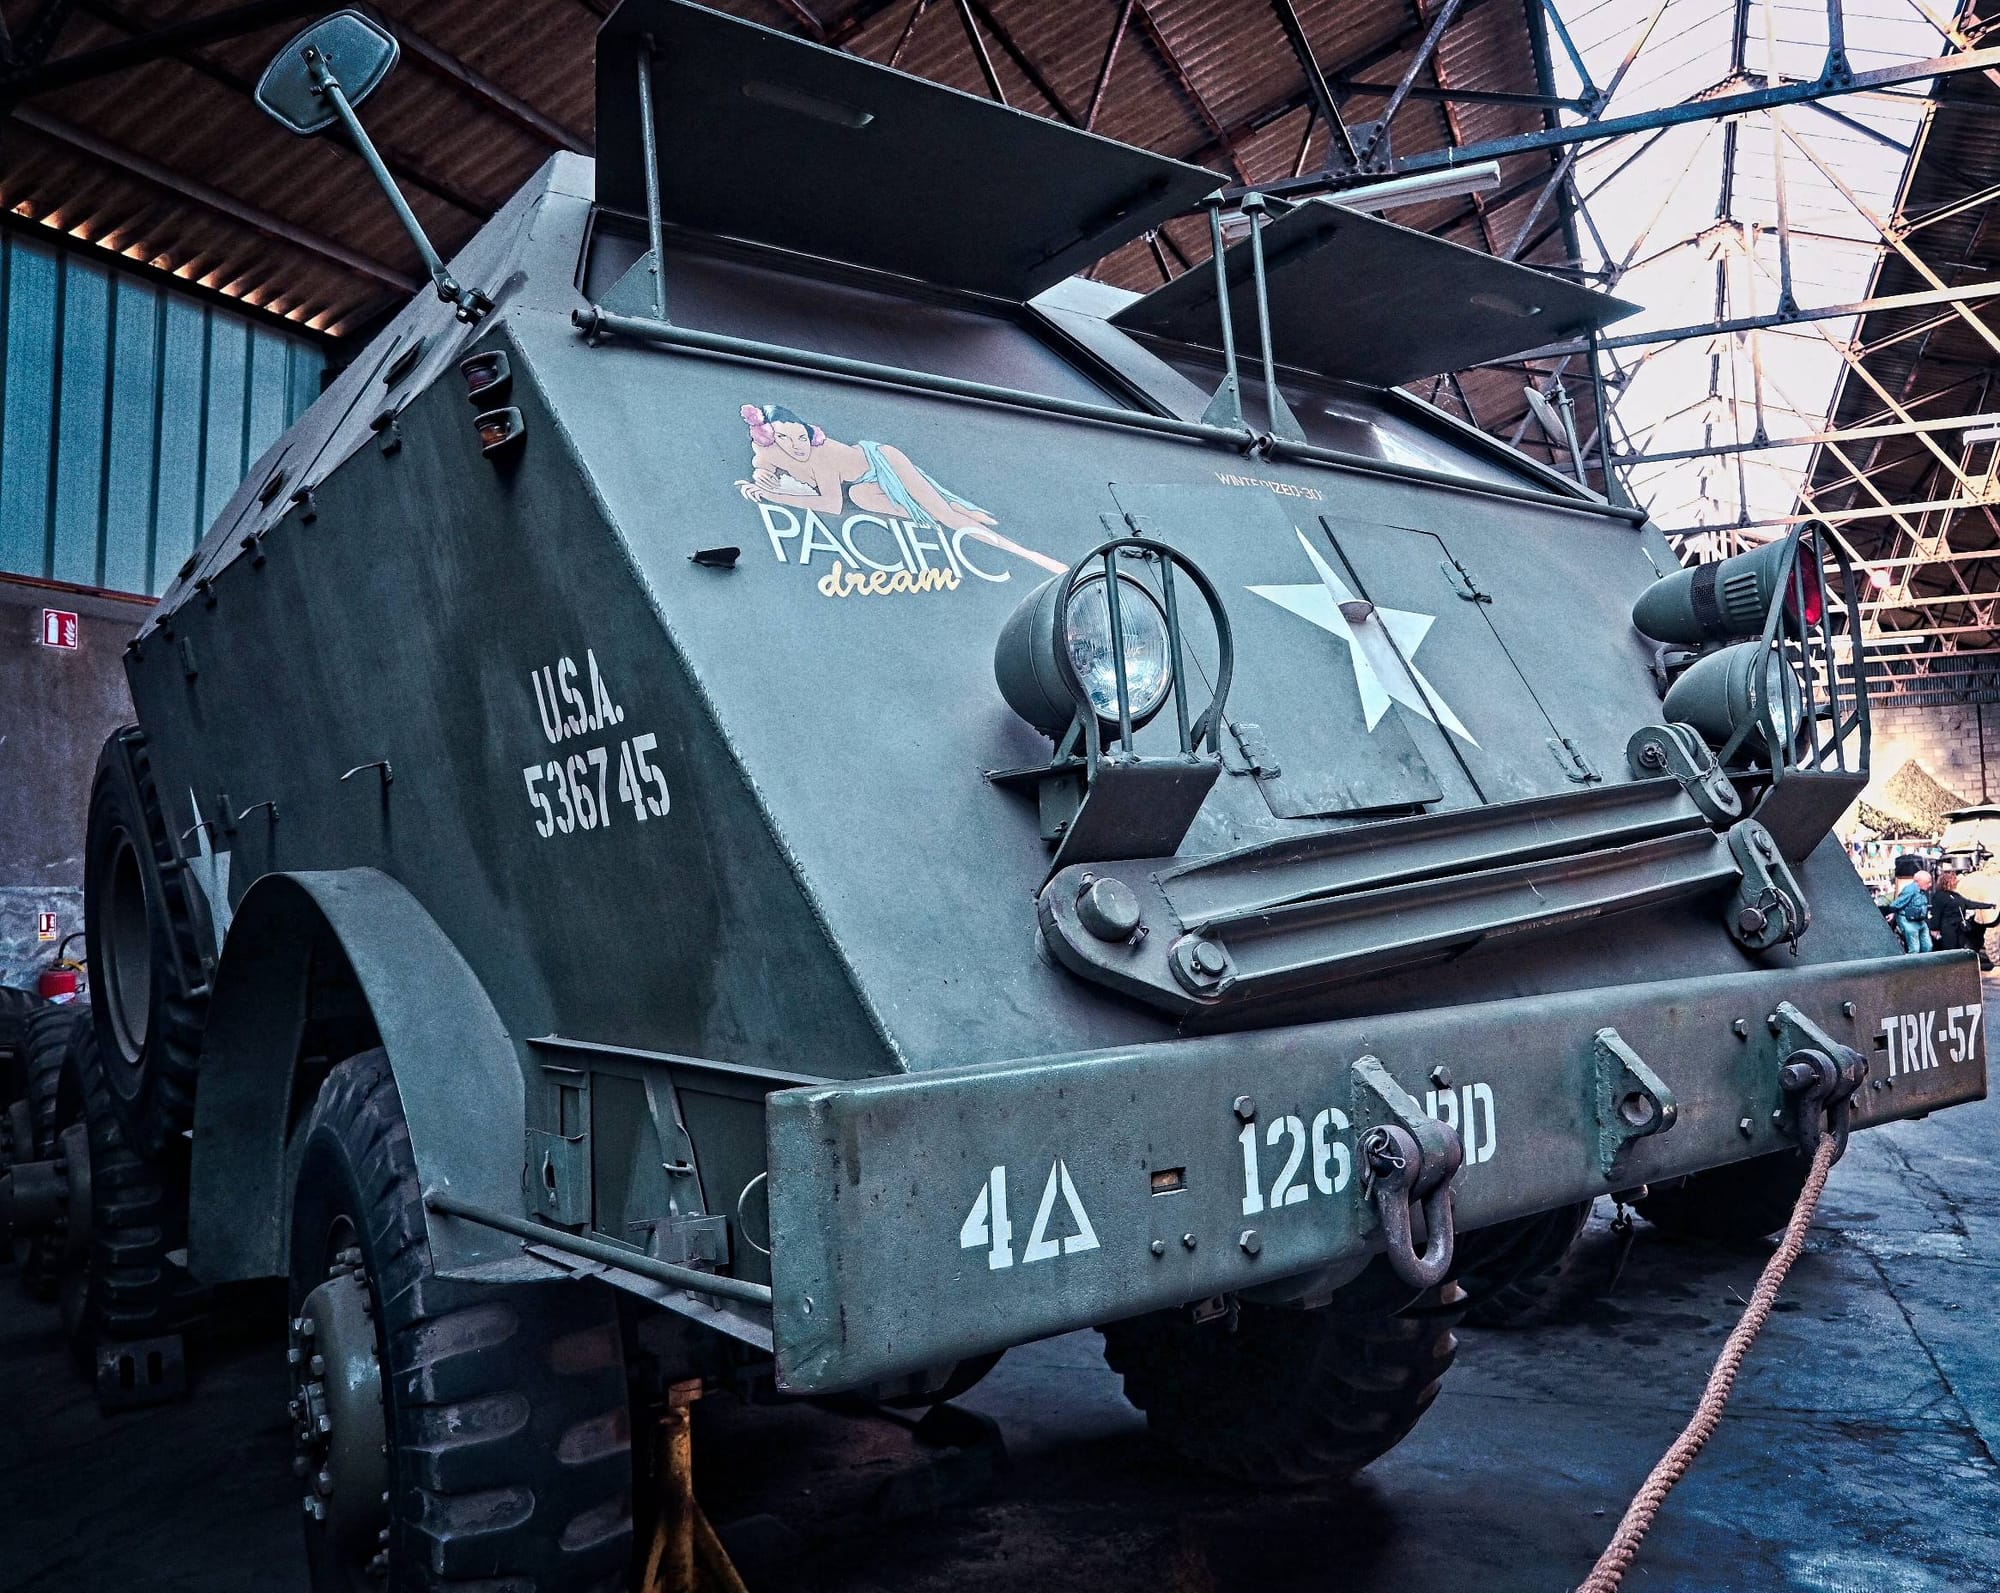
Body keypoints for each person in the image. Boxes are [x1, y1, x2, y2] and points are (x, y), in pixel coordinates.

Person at [1928, 865, 1995, 970]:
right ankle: (1948, 969)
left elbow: (1969, 903)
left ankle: (1957, 969)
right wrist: (1934, 928)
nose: (1956, 882)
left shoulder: (1955, 896)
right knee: (1949, 950)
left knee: (1959, 948)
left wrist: (1989, 906)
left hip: (1959, 928)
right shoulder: (1939, 896)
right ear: (1948, 882)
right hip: (1948, 929)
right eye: (1954, 880)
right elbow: (1936, 913)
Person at [1890, 869, 1933, 954]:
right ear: (1919, 881)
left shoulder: (1921, 891)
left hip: (1920, 920)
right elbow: (1895, 904)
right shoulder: (1910, 890)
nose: (1930, 885)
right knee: (1915, 949)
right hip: (1908, 921)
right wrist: (1895, 914)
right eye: (1928, 882)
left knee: (1928, 946)